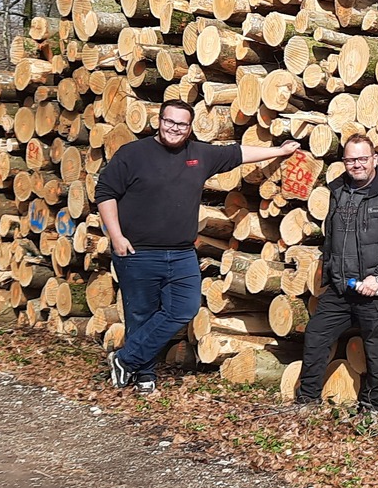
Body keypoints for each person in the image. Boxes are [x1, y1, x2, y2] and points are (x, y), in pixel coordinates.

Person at [94, 98, 299, 393]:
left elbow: (237, 153)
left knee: (184, 308)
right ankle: (144, 374)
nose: (174, 128)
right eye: (169, 121)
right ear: (159, 121)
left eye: (181, 124)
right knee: (141, 313)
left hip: (181, 253)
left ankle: (126, 359)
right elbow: (105, 192)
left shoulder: (199, 154)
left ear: (190, 128)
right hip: (137, 251)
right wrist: (116, 236)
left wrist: (279, 151)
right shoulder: (133, 154)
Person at [293, 132, 378, 412]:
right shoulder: (338, 190)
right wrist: (332, 275)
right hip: (342, 287)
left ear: (375, 159)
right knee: (316, 335)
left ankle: (371, 407)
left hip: (375, 289)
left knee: (376, 349)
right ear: (344, 161)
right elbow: (331, 237)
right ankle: (307, 400)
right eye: (350, 159)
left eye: (362, 159)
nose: (356, 165)